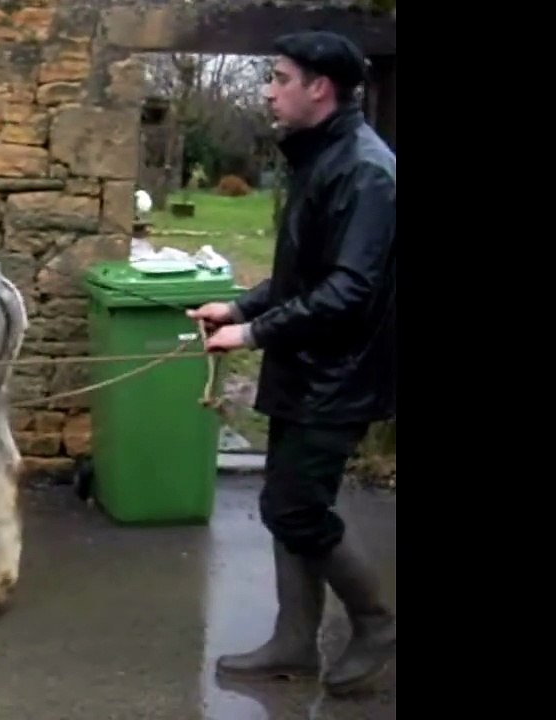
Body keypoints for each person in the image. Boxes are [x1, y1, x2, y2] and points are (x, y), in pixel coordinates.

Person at [187, 29, 396, 697]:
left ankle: (376, 622)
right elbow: (302, 273)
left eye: (279, 78)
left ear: (319, 88)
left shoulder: (366, 170)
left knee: (298, 507)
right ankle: (294, 641)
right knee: (289, 502)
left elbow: (349, 290)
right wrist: (241, 309)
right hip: (305, 367)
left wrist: (254, 338)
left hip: (340, 373)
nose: (269, 91)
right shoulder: (320, 157)